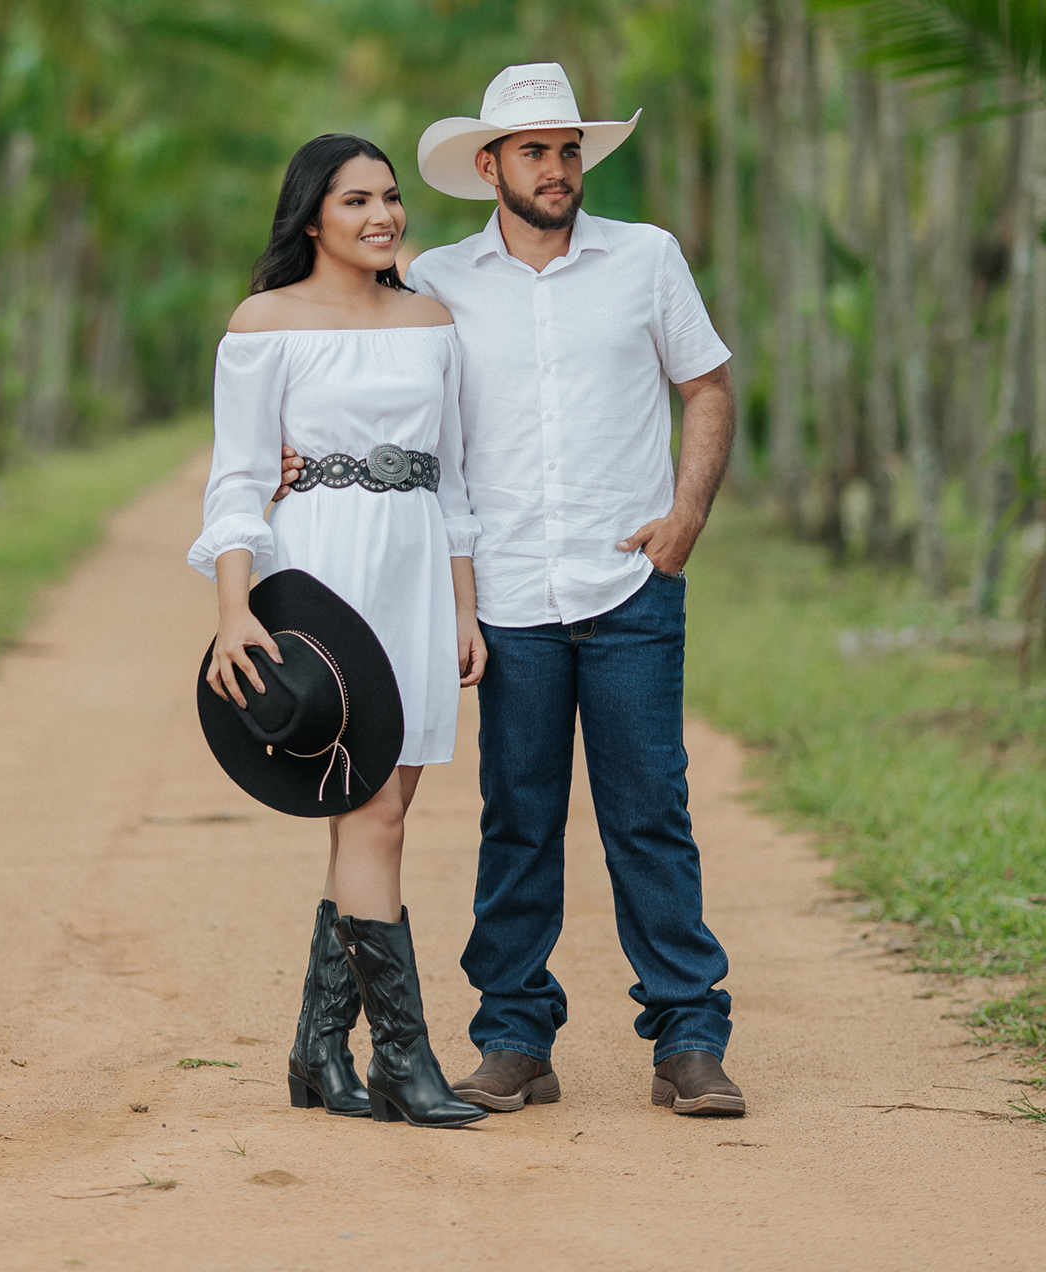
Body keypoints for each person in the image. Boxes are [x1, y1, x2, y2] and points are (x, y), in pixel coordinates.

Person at [281, 62, 742, 1118]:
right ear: (489, 165)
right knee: (518, 818)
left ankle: (689, 1040)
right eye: (536, 151)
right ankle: (516, 1038)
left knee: (650, 814)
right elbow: (359, 368)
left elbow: (706, 385)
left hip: (628, 583)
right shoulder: (437, 279)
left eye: (570, 149)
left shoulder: (647, 259)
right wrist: (287, 456)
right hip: (507, 597)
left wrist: (687, 519)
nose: (558, 167)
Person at [187, 134, 487, 1129]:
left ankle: (320, 1051)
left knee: (378, 810)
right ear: (311, 215)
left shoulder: (430, 318)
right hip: (317, 575)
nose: (382, 215)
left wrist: (462, 603)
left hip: (410, 575)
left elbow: (451, 477)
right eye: (356, 199)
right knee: (374, 818)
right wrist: (234, 609)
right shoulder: (263, 323)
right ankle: (405, 1061)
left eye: (392, 197)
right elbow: (236, 478)